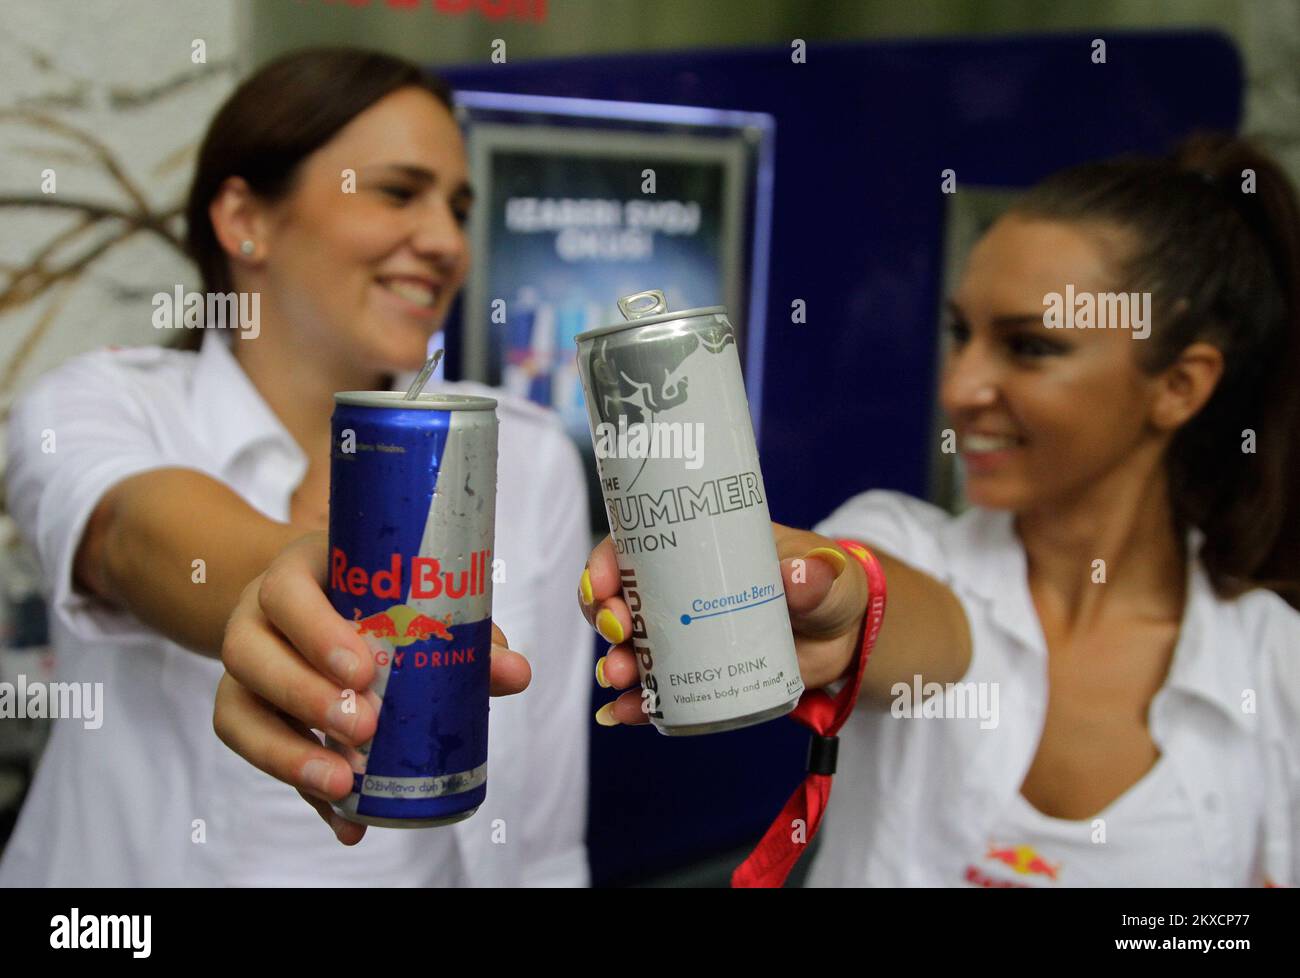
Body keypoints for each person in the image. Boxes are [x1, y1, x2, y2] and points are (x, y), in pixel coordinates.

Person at [582, 132, 1300, 886]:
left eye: (1031, 347)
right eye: (962, 334)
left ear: (1180, 386)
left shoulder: (1271, 666)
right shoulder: (909, 544)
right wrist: (826, 598)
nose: (961, 388)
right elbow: (894, 606)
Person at [0, 48, 591, 887]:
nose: (446, 241)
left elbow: (542, 840)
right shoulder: (95, 405)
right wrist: (295, 592)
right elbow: (131, 537)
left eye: (459, 207)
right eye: (398, 192)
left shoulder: (525, 456)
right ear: (246, 217)